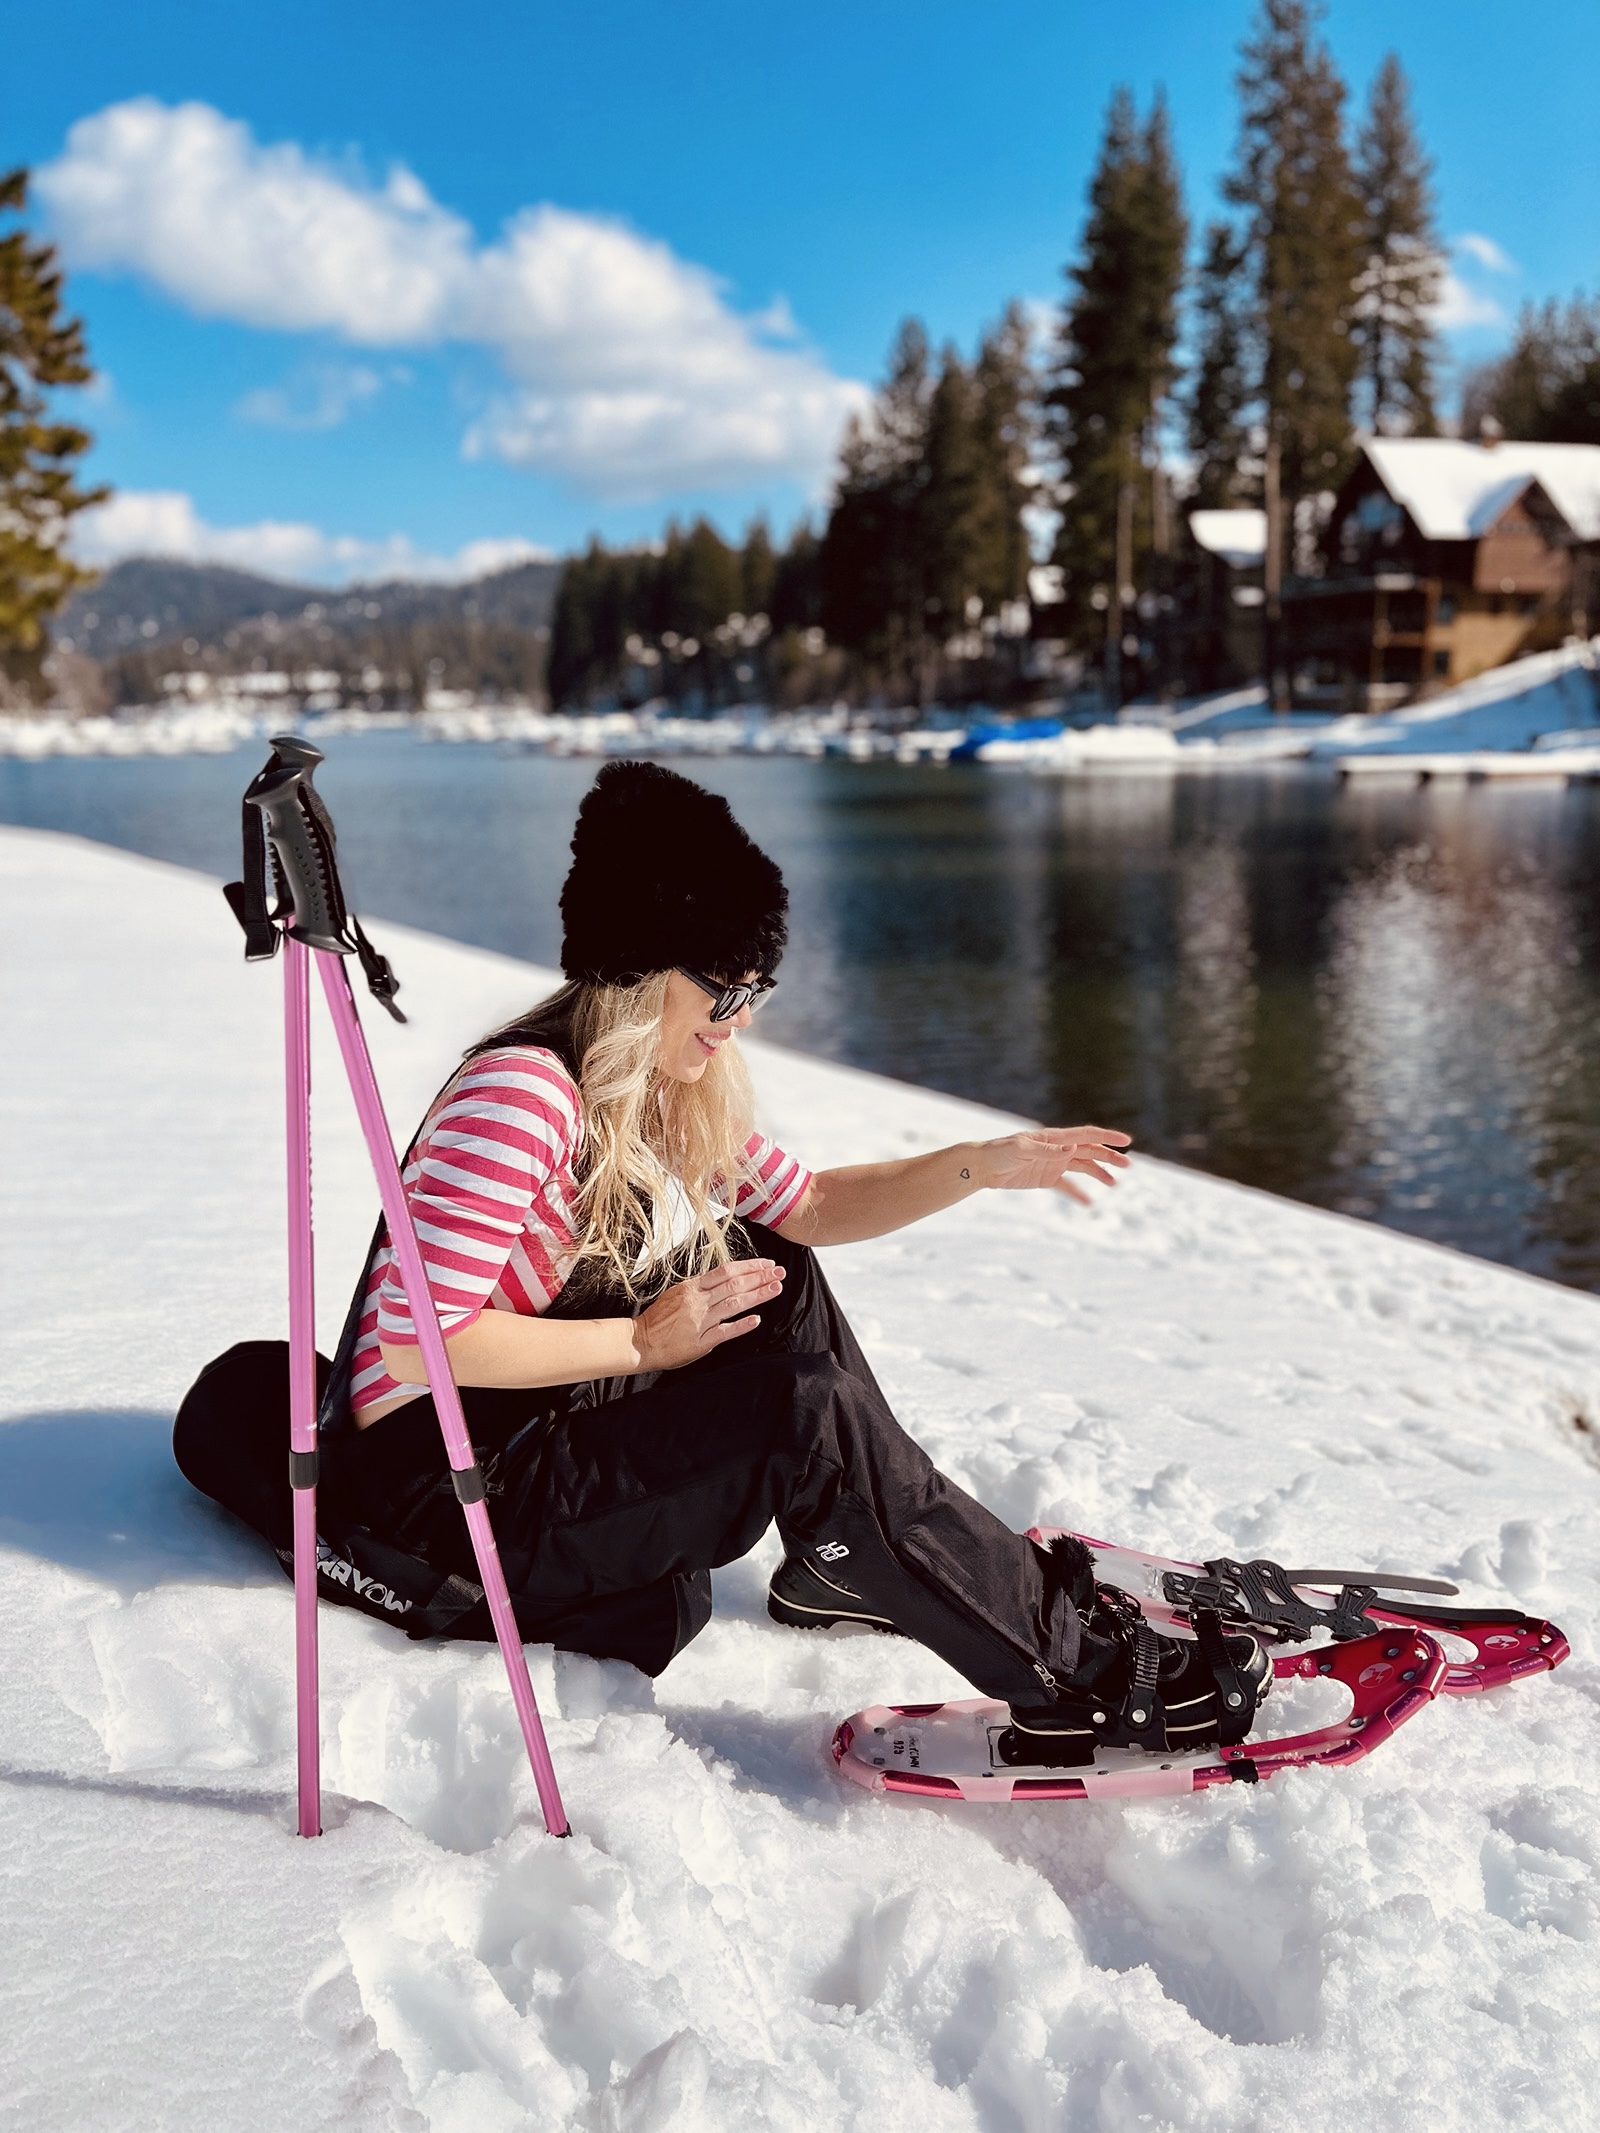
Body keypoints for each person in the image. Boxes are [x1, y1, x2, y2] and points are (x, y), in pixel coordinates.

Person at [178, 760, 1268, 1767]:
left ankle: (837, 1562)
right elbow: (418, 1345)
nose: (737, 1023)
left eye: (757, 990)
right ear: (641, 966)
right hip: (454, 1497)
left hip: (535, 1434)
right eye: (724, 990)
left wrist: (979, 1163)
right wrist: (642, 1339)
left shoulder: (652, 1089)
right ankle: (1075, 1673)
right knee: (796, 1412)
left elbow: (814, 1205)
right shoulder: (519, 1097)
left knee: (769, 1265)